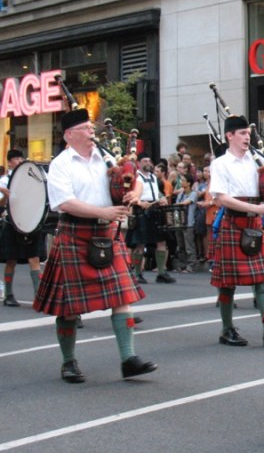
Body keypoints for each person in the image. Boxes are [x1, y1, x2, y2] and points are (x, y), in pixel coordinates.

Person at [33, 108, 157, 383]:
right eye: (86, 128)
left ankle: (129, 359)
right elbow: (64, 203)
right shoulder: (61, 164)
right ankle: (69, 362)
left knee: (122, 297)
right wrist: (103, 212)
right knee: (68, 307)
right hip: (75, 233)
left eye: (92, 127)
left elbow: (134, 180)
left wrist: (133, 194)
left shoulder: (106, 157)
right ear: (69, 134)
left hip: (106, 233)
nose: (92, 132)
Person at [208, 115, 264, 348]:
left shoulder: (257, 162)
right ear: (230, 136)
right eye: (243, 133)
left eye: (248, 133)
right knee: (227, 283)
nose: (248, 137)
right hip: (233, 224)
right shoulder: (220, 164)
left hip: (254, 225)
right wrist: (255, 208)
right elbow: (221, 198)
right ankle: (227, 329)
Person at [0, 149, 45, 307]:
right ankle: (9, 294)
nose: (19, 161)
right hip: (12, 223)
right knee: (11, 259)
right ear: (9, 162)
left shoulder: (31, 178)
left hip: (31, 222)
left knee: (34, 258)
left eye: (21, 158)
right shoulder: (4, 181)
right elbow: (1, 206)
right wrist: (5, 195)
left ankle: (38, 296)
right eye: (16, 159)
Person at [127, 155, 175, 284]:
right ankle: (137, 273)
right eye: (144, 161)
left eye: (149, 161)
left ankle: (161, 273)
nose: (148, 163)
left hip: (155, 209)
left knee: (162, 241)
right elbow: (131, 195)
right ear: (138, 163)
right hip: (141, 210)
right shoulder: (135, 177)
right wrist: (140, 203)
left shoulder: (153, 177)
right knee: (140, 243)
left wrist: (162, 197)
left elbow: (156, 192)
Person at [174, 174, 198, 272]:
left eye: (183, 180)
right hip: (179, 222)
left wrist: (177, 204)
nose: (181, 182)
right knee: (180, 245)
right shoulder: (181, 194)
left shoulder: (193, 194)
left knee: (189, 245)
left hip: (188, 222)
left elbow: (186, 202)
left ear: (189, 183)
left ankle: (191, 265)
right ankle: (182, 264)